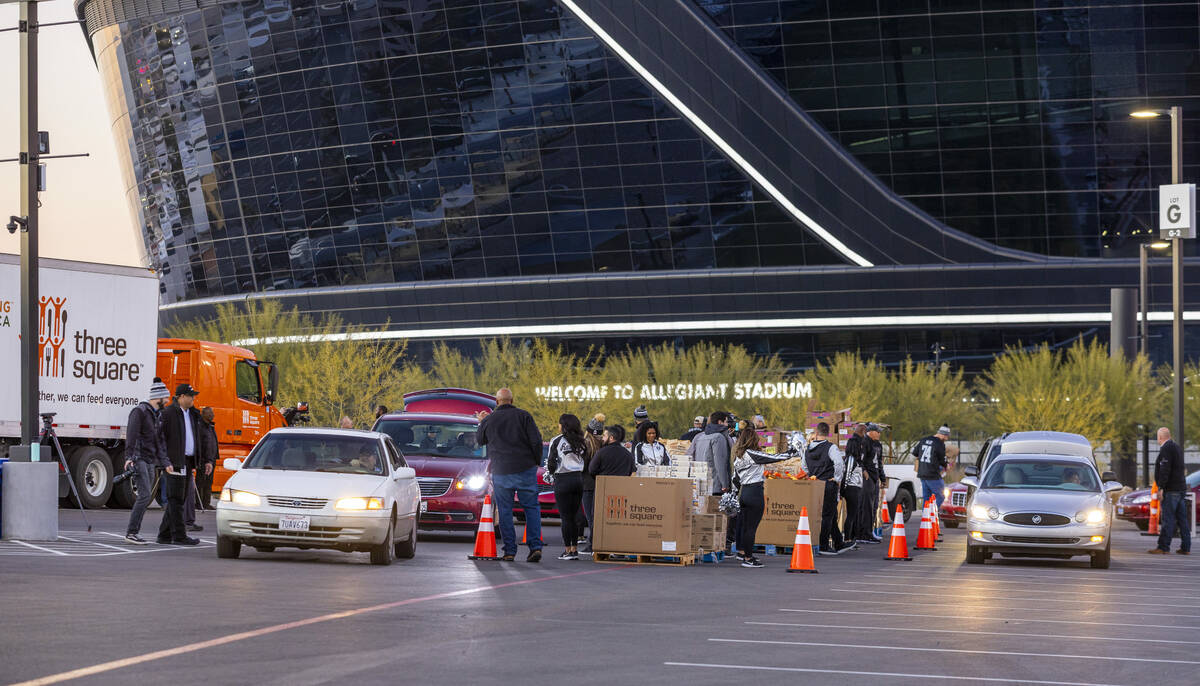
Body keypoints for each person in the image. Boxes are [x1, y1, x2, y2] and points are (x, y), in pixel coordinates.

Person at [476, 388, 544, 562]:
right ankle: (535, 546)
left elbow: (480, 441)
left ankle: (509, 551)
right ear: (512, 400)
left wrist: (482, 422)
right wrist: (534, 461)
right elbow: (536, 441)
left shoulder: (489, 419)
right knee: (531, 508)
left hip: (501, 470)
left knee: (505, 510)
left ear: (497, 402)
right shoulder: (524, 416)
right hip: (525, 468)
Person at [731, 420, 792, 568]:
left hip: (744, 493)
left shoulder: (739, 457)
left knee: (746, 526)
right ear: (753, 440)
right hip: (755, 492)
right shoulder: (752, 454)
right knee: (752, 527)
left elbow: (735, 479)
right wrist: (791, 454)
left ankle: (745, 554)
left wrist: (734, 494)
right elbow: (774, 458)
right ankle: (748, 558)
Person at [123, 379, 170, 544]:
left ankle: (133, 531)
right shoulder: (140, 411)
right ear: (158, 398)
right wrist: (130, 458)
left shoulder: (156, 415)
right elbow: (132, 435)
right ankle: (131, 532)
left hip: (150, 460)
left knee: (146, 496)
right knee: (144, 496)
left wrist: (165, 462)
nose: (167, 401)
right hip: (140, 458)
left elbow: (159, 441)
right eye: (166, 398)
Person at [157, 384, 203, 546]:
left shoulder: (192, 414)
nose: (193, 399)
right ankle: (179, 535)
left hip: (187, 461)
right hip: (174, 461)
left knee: (179, 498)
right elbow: (160, 438)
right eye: (191, 396)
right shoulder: (169, 413)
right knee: (175, 498)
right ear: (181, 397)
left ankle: (164, 534)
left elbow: (198, 436)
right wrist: (165, 461)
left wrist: (205, 460)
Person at [691, 411, 736, 551]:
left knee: (704, 516)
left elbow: (691, 456)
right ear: (720, 422)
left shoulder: (701, 436)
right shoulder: (719, 437)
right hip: (716, 484)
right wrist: (725, 484)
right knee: (718, 519)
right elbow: (720, 462)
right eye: (726, 421)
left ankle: (702, 545)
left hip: (701, 482)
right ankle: (719, 546)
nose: (728, 424)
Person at [806, 422, 851, 556]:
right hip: (828, 484)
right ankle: (824, 545)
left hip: (814, 485)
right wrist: (837, 478)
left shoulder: (807, 448)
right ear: (828, 433)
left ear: (816, 433)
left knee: (829, 515)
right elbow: (839, 463)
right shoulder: (831, 448)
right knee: (828, 515)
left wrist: (811, 476)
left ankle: (838, 542)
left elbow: (804, 466)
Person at [547, 414, 587, 560]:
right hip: (578, 479)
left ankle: (568, 550)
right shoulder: (582, 441)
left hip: (563, 479)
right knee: (575, 515)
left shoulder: (557, 440)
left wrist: (552, 472)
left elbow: (551, 462)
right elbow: (586, 460)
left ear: (564, 425)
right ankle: (575, 549)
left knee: (566, 517)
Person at [1150, 427, 1191, 555]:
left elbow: (1165, 469)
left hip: (1171, 489)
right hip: (1180, 488)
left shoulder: (1166, 449)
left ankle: (1163, 547)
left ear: (1160, 437)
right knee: (1182, 520)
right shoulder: (1177, 448)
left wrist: (1161, 487)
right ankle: (1186, 547)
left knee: (1168, 519)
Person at [183, 407, 218, 531]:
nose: (212, 415)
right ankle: (199, 503)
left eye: (212, 413)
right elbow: (201, 443)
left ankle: (206, 502)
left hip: (210, 458)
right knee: (200, 481)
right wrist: (202, 458)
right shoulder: (201, 427)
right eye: (210, 413)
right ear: (204, 415)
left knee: (209, 482)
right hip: (203, 459)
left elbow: (212, 442)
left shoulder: (210, 426)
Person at [858, 423, 886, 542]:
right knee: (866, 506)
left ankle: (869, 531)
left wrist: (882, 478)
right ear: (871, 432)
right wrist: (864, 472)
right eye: (878, 431)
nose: (879, 434)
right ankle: (864, 533)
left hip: (875, 477)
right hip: (867, 478)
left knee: (874, 506)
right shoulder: (865, 442)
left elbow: (879, 462)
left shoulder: (878, 445)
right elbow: (860, 460)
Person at [913, 425, 950, 509]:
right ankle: (932, 514)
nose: (946, 439)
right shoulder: (939, 443)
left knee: (926, 498)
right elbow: (942, 460)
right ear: (943, 435)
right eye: (946, 437)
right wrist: (946, 465)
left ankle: (925, 518)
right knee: (941, 496)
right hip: (933, 474)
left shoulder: (923, 440)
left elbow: (915, 453)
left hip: (922, 473)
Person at [841, 423, 866, 544]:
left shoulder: (855, 460)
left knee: (853, 513)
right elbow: (847, 474)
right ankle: (848, 538)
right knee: (851, 514)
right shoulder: (851, 459)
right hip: (851, 488)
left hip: (854, 487)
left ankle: (852, 537)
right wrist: (843, 489)